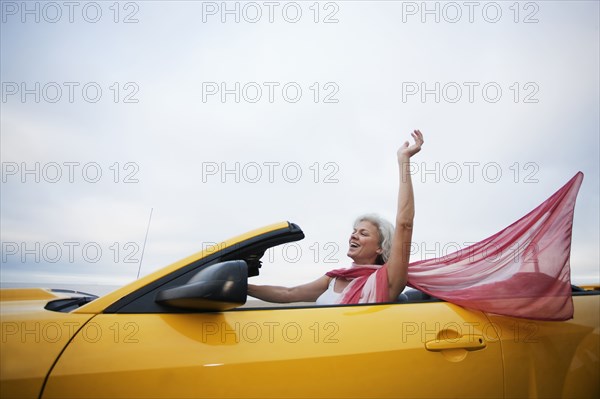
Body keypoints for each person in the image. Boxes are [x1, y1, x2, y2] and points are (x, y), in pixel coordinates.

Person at [247, 130, 424, 304]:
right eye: (354, 231)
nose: (354, 235)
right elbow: (288, 293)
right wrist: (242, 287)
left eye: (364, 233)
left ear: (380, 248)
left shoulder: (389, 280)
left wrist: (403, 162)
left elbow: (405, 224)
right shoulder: (333, 278)